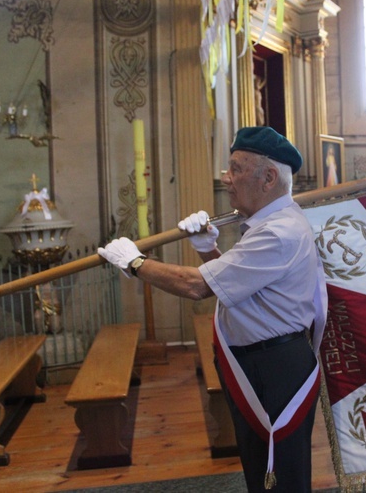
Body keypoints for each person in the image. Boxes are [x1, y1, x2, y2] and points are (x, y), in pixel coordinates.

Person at [98, 126, 327, 492]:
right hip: (260, 361)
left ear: (268, 177)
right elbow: (242, 289)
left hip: (275, 367)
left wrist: (135, 262)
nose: (226, 178)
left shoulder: (278, 232)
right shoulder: (267, 225)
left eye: (236, 168)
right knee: (261, 468)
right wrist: (207, 249)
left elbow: (197, 286)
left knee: (280, 473)